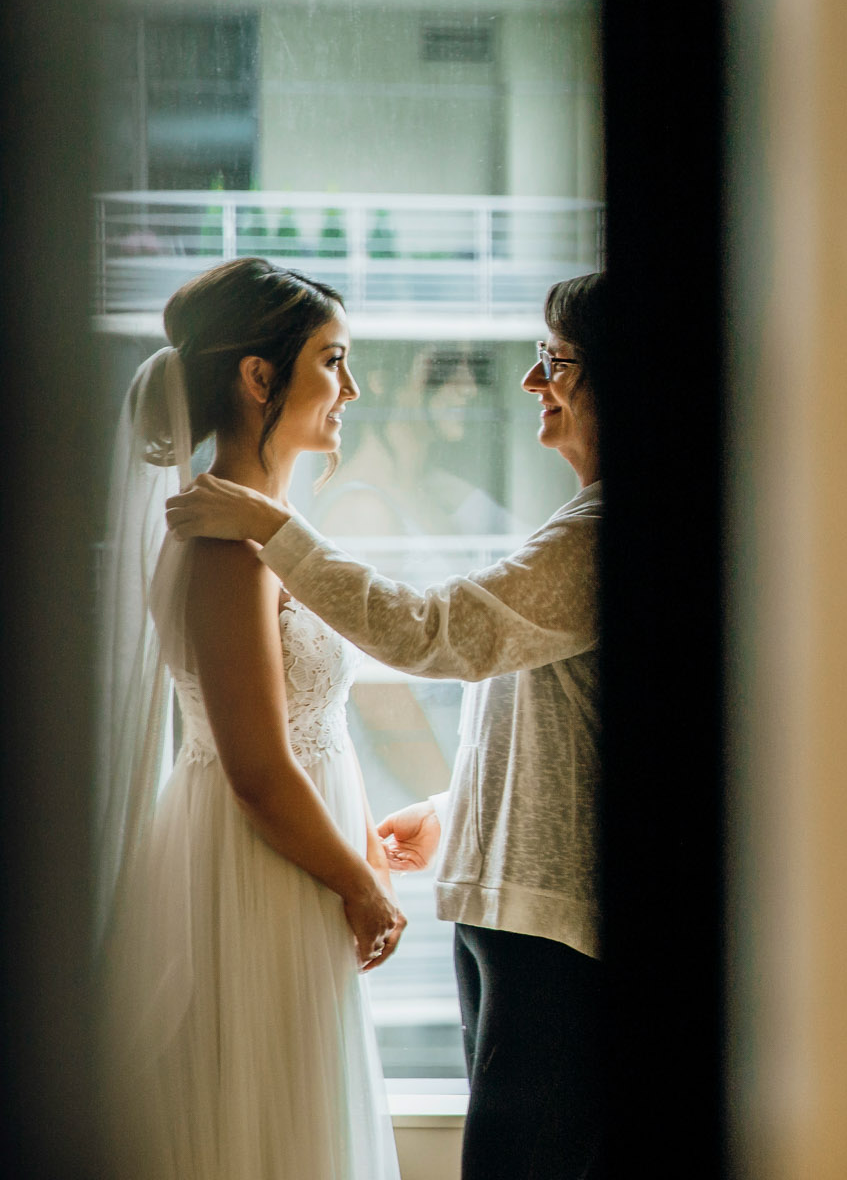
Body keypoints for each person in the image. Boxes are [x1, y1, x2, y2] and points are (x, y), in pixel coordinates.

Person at [166, 271, 605, 1180]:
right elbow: (550, 711)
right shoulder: (579, 527)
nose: (531, 384)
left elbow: (438, 635)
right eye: (336, 361)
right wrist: (454, 813)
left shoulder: (603, 535)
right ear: (258, 377)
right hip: (504, 909)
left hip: (554, 926)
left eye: (554, 363)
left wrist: (273, 528)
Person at [98, 257, 404, 1180]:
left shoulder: (261, 528)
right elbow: (259, 768)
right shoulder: (230, 545)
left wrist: (359, 846)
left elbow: (310, 732)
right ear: (258, 376)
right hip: (256, 870)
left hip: (285, 855)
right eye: (333, 360)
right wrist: (360, 883)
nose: (351, 388)